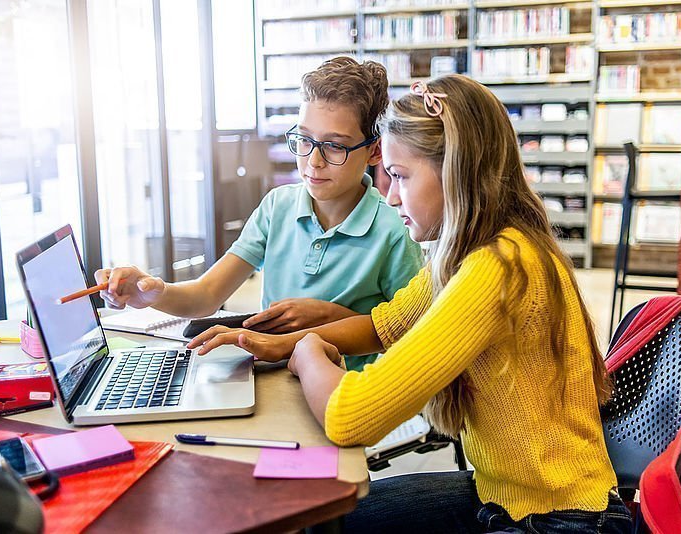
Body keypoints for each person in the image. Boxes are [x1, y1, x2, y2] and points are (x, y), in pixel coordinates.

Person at [189, 75, 631, 533]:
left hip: (561, 521)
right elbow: (382, 326)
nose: (391, 195)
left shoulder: (496, 268)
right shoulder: (478, 251)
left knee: (322, 522)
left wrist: (305, 353)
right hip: (505, 492)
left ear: (457, 170)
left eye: (400, 176)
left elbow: (351, 417)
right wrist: (274, 343)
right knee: (329, 519)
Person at [97, 57, 422, 371]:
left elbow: (411, 334)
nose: (313, 161)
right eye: (304, 140)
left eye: (335, 146)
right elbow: (207, 295)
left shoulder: (395, 231)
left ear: (375, 151)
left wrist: (332, 315)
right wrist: (154, 292)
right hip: (272, 377)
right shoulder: (277, 206)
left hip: (346, 390)